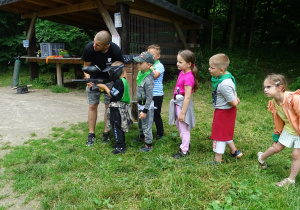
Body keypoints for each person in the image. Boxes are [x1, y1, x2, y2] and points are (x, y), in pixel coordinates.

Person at [81, 30, 124, 146]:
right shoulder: (89, 48)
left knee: (108, 106)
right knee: (92, 105)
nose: (94, 46)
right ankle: (91, 134)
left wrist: (118, 83)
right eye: (94, 43)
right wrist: (88, 79)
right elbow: (86, 66)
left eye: (97, 45)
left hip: (109, 80)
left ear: (107, 45)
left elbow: (120, 67)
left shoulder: (115, 50)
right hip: (93, 78)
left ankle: (106, 132)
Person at [257, 74, 300, 187]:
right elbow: (278, 120)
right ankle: (261, 158)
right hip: (289, 129)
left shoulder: (294, 99)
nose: (265, 90)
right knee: (277, 147)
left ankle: (290, 180)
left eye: (268, 87)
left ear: (280, 87)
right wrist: (277, 135)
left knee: (296, 154)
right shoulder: (273, 103)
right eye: (264, 87)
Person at [206, 53, 243, 165]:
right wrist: (235, 97)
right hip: (226, 111)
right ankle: (234, 151)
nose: (209, 69)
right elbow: (234, 92)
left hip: (224, 112)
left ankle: (218, 159)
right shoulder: (226, 76)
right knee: (225, 131)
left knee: (218, 135)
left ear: (221, 70)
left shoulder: (224, 84)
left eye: (212, 68)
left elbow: (233, 103)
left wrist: (235, 99)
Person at [97, 61, 132, 154]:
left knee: (116, 127)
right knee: (119, 126)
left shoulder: (119, 82)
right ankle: (120, 144)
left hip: (117, 108)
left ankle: (120, 147)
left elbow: (113, 95)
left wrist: (104, 87)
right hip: (120, 107)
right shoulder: (123, 80)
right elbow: (114, 92)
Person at [169, 50, 198, 158]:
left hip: (182, 105)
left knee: (184, 128)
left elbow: (187, 97)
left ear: (189, 64)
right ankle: (185, 143)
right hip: (178, 103)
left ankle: (184, 151)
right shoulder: (182, 72)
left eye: (180, 62)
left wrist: (183, 113)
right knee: (179, 125)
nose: (177, 64)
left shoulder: (189, 77)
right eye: (177, 61)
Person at [133, 51, 155, 152]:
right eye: (137, 63)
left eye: (140, 63)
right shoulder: (140, 74)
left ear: (149, 65)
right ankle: (141, 136)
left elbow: (149, 97)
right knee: (141, 124)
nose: (138, 65)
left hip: (146, 106)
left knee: (146, 125)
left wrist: (145, 111)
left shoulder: (148, 79)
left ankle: (148, 145)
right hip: (140, 105)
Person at [148, 44, 165, 140]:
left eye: (152, 54)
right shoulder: (146, 65)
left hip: (156, 94)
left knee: (155, 114)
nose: (150, 56)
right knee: (146, 114)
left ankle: (160, 133)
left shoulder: (159, 65)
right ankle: (145, 133)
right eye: (148, 54)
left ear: (158, 56)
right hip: (147, 93)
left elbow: (154, 76)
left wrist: (150, 67)